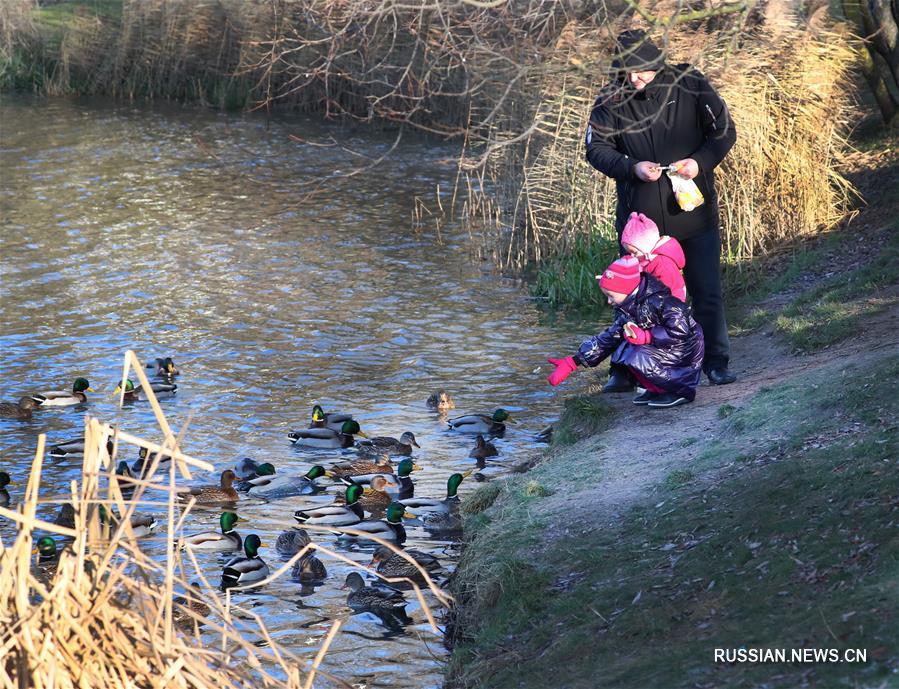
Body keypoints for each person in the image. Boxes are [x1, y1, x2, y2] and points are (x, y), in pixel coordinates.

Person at [585, 28, 737, 390]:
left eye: (642, 71)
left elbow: (724, 132)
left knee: (706, 291)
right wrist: (631, 167)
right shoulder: (610, 100)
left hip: (694, 213)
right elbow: (596, 150)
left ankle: (715, 363)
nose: (635, 79)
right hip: (640, 225)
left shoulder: (691, 84)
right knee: (632, 299)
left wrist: (699, 163)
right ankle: (624, 371)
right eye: (627, 72)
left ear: (657, 64)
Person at [546, 257, 704, 408]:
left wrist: (648, 336)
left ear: (626, 290)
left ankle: (680, 390)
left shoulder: (661, 301)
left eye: (611, 295)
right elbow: (607, 339)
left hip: (686, 350)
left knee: (637, 355)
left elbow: (681, 331)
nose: (609, 301)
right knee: (623, 350)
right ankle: (657, 389)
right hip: (667, 348)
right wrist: (574, 361)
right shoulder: (628, 309)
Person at [621, 211, 686, 301]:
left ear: (646, 245)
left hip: (669, 308)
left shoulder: (663, 264)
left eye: (635, 252)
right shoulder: (646, 261)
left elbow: (669, 292)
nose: (632, 256)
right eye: (629, 253)